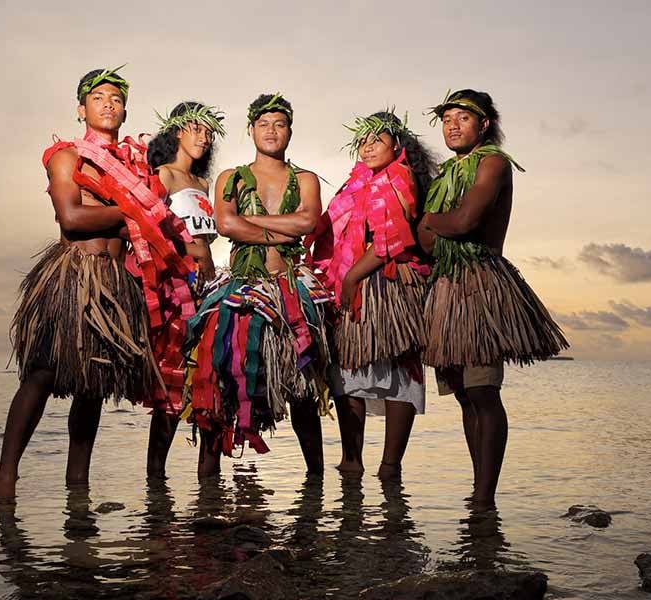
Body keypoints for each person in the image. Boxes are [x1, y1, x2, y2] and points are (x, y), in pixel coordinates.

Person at [0, 66, 190, 498]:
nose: (108, 105)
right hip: (74, 274)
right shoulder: (68, 157)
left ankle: (77, 484)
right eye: (98, 98)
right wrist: (136, 214)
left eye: (116, 99)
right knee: (42, 373)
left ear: (125, 110)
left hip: (116, 283)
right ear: (81, 109)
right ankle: (6, 475)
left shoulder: (136, 170)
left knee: (94, 385)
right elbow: (72, 216)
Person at [418, 89, 569, 508]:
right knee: (465, 395)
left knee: (484, 392)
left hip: (481, 284)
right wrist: (432, 226)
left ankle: (486, 498)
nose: (452, 125)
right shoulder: (447, 172)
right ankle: (477, 491)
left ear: (484, 124)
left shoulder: (493, 162)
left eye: (462, 118)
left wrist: (430, 220)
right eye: (446, 118)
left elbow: (466, 220)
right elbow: (426, 242)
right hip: (446, 287)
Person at [183, 93, 330, 477]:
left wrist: (254, 224)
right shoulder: (231, 177)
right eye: (263, 124)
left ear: (290, 131)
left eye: (279, 124)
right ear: (250, 130)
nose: (271, 131)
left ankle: (315, 487)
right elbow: (226, 224)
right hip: (242, 287)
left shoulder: (305, 179)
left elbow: (308, 222)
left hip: (291, 286)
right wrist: (282, 228)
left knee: (303, 387)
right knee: (220, 383)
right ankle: (207, 492)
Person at [311, 110, 435, 479]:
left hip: (389, 284)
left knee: (399, 368)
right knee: (349, 369)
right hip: (355, 279)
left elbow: (388, 242)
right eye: (362, 141)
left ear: (396, 144)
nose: (367, 148)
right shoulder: (356, 184)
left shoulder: (399, 177)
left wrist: (350, 278)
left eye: (376, 140)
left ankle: (390, 464)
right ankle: (352, 458)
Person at [144, 102, 225, 478]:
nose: (203, 137)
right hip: (176, 287)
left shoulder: (203, 185)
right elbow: (146, 228)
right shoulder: (164, 176)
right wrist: (186, 253)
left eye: (209, 132)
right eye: (197, 128)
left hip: (208, 288)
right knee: (173, 380)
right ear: (176, 130)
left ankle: (208, 483)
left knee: (210, 378)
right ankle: (155, 480)